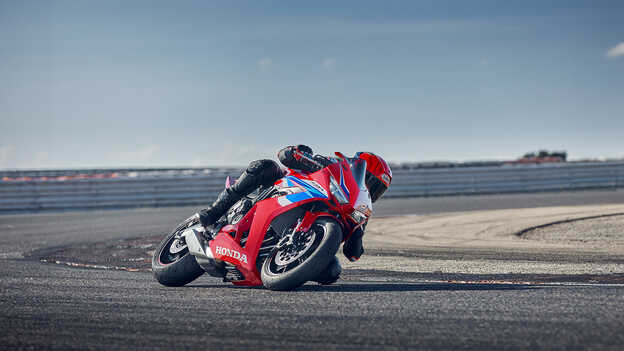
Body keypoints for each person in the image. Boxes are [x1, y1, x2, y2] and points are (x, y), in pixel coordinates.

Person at [197, 145, 392, 283]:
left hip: (309, 228)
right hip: (288, 192)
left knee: (332, 272)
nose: (372, 191)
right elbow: (286, 155)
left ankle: (274, 265)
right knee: (264, 166)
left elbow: (353, 254)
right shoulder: (332, 165)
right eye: (372, 182)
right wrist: (300, 154)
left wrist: (358, 233)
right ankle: (215, 211)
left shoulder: (358, 209)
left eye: (378, 190)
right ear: (359, 170)